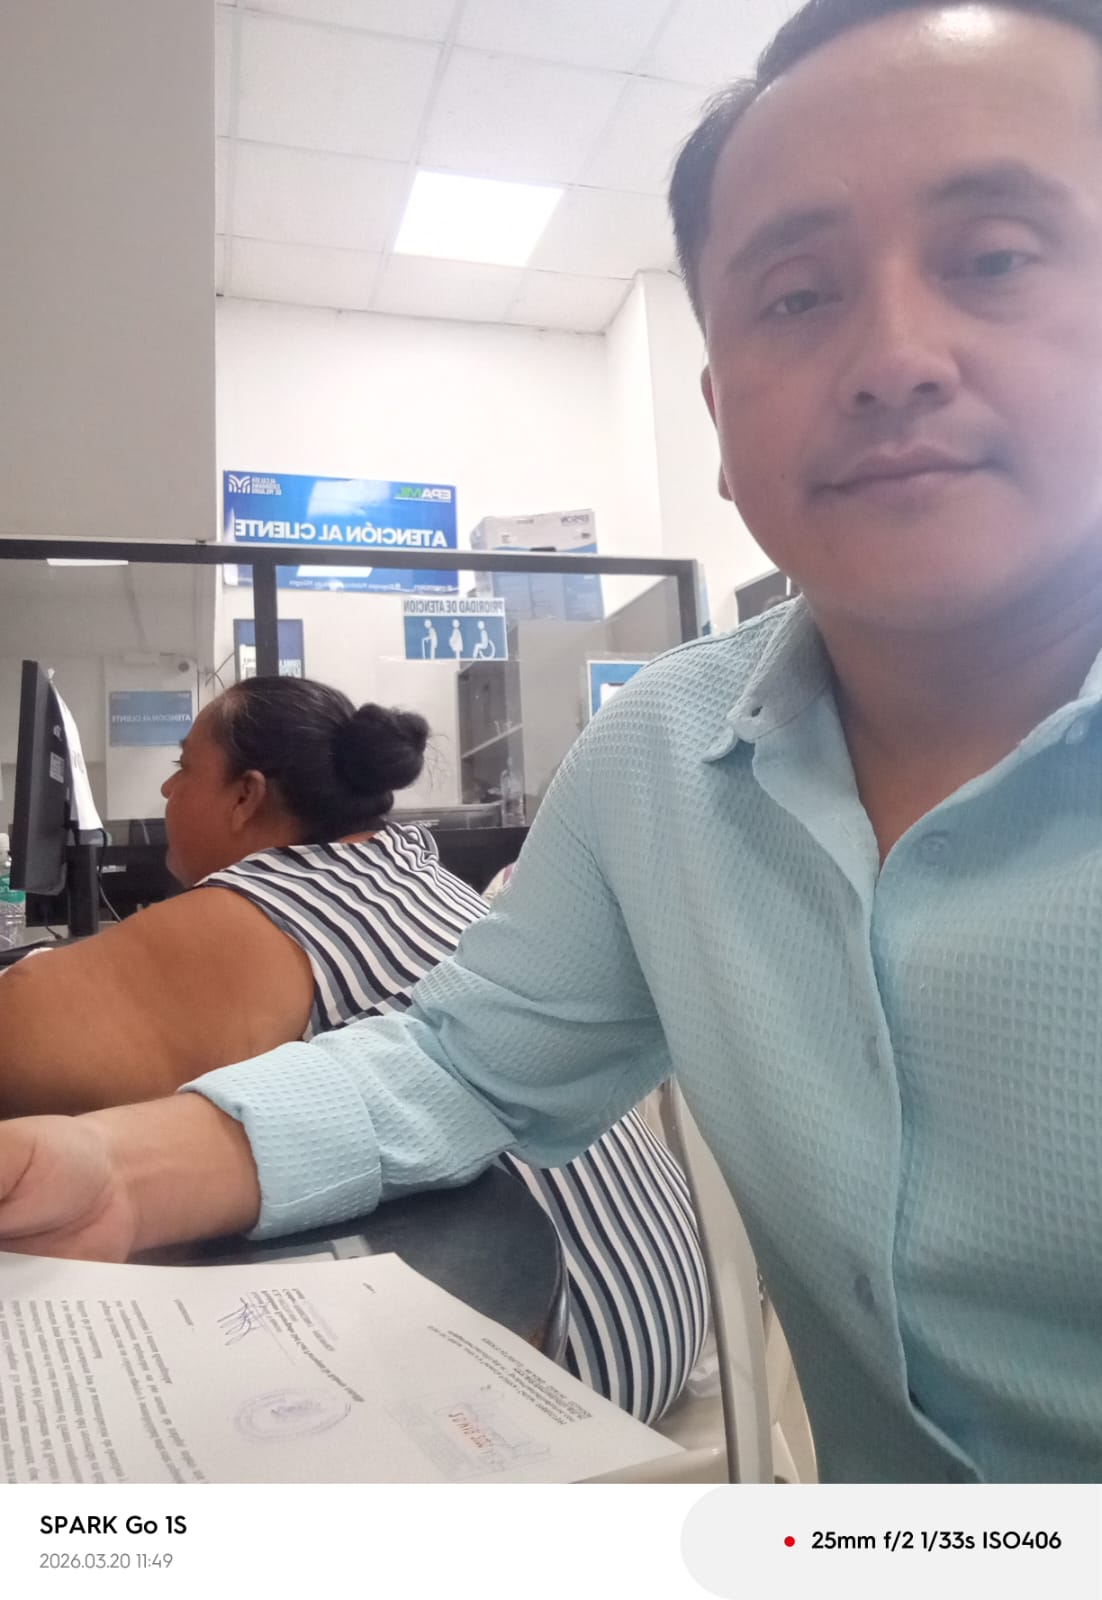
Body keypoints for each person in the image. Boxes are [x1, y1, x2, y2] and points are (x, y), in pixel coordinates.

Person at [3, 0, 1102, 1482]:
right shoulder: (661, 759)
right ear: (719, 418)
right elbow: (459, 1062)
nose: (892, 357)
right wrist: (111, 1168)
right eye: (794, 296)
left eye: (995, 259)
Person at [0, 674, 707, 1424]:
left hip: (551, 1385)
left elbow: (21, 1032)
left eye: (184, 768)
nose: (168, 791)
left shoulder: (252, 911)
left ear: (244, 796)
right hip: (661, 1319)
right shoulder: (413, 871)